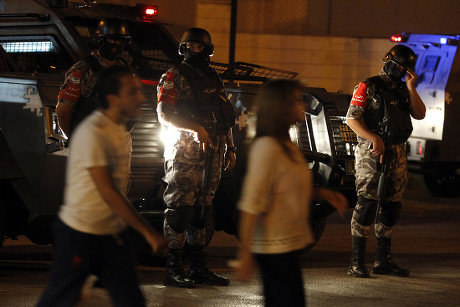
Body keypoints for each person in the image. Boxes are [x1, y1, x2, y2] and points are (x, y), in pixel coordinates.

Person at [37, 66, 168, 307]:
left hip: (111, 236)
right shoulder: (93, 132)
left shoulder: (118, 129)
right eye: (133, 92)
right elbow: (108, 191)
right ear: (113, 99)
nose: (141, 97)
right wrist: (147, 231)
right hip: (80, 235)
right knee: (57, 301)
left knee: (131, 301)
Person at [234, 79, 348, 307]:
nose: (303, 105)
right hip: (273, 247)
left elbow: (290, 187)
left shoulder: (287, 145)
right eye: (296, 100)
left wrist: (324, 195)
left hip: (289, 245)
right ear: (280, 106)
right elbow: (252, 202)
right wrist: (245, 254)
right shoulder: (267, 148)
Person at [156, 27, 236, 288]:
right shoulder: (173, 76)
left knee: (203, 211)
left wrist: (231, 148)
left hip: (213, 152)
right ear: (182, 49)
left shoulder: (214, 78)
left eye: (199, 47)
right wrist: (196, 129)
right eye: (189, 46)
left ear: (208, 50)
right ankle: (174, 268)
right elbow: (165, 115)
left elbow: (224, 115)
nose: (194, 50)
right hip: (184, 154)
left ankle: (198, 268)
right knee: (181, 210)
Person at [346, 45, 426, 278]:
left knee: (392, 205)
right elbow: (352, 118)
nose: (402, 72)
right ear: (389, 61)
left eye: (406, 69)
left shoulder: (403, 89)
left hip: (397, 152)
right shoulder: (368, 85)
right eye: (400, 67)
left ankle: (383, 261)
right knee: (367, 204)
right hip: (372, 153)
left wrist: (411, 87)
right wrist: (374, 138)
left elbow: (420, 114)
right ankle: (356, 263)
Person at [56, 17, 131, 139]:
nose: (115, 44)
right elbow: (63, 112)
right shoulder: (83, 69)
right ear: (100, 40)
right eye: (111, 40)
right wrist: (73, 140)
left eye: (120, 40)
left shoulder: (126, 69)